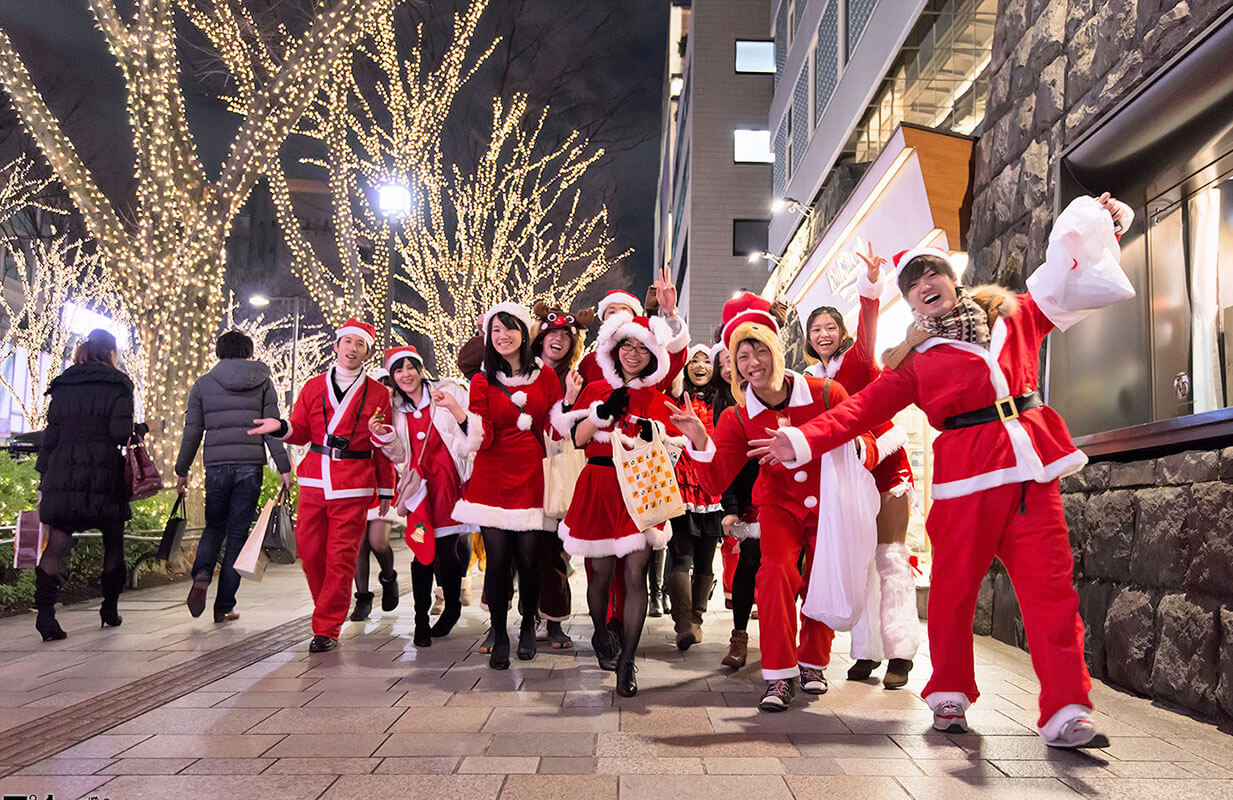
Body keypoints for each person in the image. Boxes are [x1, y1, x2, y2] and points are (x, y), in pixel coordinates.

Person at [750, 194, 1133, 747]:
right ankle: (950, 691)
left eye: (933, 272)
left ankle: (1067, 708)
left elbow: (1070, 275)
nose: (924, 281)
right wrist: (798, 440)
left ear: (952, 282)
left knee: (1052, 593)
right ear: (910, 302)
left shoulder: (1017, 315)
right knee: (953, 593)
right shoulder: (916, 365)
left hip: (1032, 474)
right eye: (913, 281)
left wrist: (1099, 223)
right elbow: (858, 409)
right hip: (966, 481)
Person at [669, 293, 882, 712]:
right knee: (777, 574)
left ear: (776, 348)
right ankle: (780, 674)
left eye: (759, 349)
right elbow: (714, 480)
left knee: (825, 577)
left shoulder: (825, 393)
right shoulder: (738, 417)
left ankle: (813, 662)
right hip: (779, 508)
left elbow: (869, 441)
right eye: (741, 355)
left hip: (830, 506)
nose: (752, 363)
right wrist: (697, 440)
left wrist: (849, 448)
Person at [803, 245, 918, 689]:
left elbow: (868, 334)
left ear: (842, 332)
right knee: (861, 561)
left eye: (831, 326)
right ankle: (865, 651)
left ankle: (901, 652)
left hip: (885, 464)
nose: (824, 333)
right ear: (809, 337)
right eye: (817, 329)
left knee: (890, 557)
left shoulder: (858, 362)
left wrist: (870, 287)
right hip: (845, 477)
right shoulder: (809, 380)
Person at [552, 312, 685, 698]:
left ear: (653, 355)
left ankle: (627, 660)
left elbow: (675, 445)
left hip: (639, 489)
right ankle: (600, 635)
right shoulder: (594, 388)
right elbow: (576, 437)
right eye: (627, 344)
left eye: (643, 347)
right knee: (600, 576)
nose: (633, 352)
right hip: (597, 483)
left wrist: (652, 431)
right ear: (614, 348)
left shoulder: (657, 398)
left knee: (636, 575)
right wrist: (601, 415)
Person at [249, 319, 396, 653]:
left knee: (341, 557)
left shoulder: (377, 393)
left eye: (360, 345)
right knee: (311, 552)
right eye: (347, 342)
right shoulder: (314, 386)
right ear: (337, 345)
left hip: (355, 483)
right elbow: (301, 430)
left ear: (367, 352)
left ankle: (326, 627)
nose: (352, 349)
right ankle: (327, 609)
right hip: (315, 479)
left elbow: (383, 447)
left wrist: (385, 489)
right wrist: (281, 427)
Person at [453, 302, 563, 670]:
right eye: (495, 330)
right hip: (492, 476)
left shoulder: (546, 376)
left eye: (510, 328)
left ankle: (528, 626)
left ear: (524, 333)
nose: (502, 336)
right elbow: (479, 438)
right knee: (498, 562)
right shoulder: (481, 380)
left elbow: (554, 428)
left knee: (532, 561)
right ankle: (499, 632)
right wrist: (459, 414)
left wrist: (574, 403)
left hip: (532, 474)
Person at [174, 330, 294, 624]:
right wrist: (284, 467)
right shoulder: (262, 382)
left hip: (216, 466)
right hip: (249, 466)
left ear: (219, 352)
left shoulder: (202, 385)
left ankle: (202, 573)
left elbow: (192, 432)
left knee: (214, 527)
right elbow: (272, 428)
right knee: (238, 535)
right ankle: (224, 605)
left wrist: (182, 470)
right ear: (249, 352)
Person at [371, 345, 479, 647]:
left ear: (421, 369)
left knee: (446, 551)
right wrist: (382, 436)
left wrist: (452, 408)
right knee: (422, 551)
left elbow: (472, 431)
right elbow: (399, 455)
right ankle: (420, 620)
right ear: (392, 376)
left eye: (411, 367)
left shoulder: (449, 392)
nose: (406, 374)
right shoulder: (395, 410)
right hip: (420, 490)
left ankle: (451, 609)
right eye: (398, 369)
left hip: (450, 484)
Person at [33, 329, 138, 641]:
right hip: (104, 471)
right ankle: (110, 607)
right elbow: (120, 433)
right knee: (113, 542)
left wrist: (43, 476)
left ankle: (45, 615)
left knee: (57, 544)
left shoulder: (63, 385)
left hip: (62, 470)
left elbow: (50, 435)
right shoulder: (118, 384)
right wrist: (138, 430)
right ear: (110, 353)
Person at [529, 301, 592, 648]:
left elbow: (574, 427)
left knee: (554, 550)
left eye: (565, 335)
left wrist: (568, 400)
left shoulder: (576, 377)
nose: (557, 339)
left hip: (558, 467)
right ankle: (526, 616)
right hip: (522, 468)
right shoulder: (521, 370)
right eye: (551, 332)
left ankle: (552, 620)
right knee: (523, 552)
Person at [664, 344, 725, 650]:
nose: (700, 366)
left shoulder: (724, 401)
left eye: (706, 361)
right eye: (693, 361)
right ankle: (683, 623)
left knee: (705, 561)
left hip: (712, 490)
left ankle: (697, 619)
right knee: (680, 557)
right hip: (679, 488)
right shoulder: (674, 400)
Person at [710, 343, 762, 670]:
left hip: (790, 499)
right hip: (751, 500)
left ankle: (784, 638)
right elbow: (723, 461)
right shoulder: (730, 409)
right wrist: (729, 506)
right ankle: (740, 635)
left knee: (790, 572)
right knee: (749, 563)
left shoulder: (787, 397)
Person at [350, 366, 401, 622]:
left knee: (378, 540)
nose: (387, 389)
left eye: (389, 385)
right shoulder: (364, 411)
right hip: (359, 481)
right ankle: (362, 598)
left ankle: (389, 577)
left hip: (387, 483)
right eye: (381, 384)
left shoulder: (401, 413)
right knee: (359, 544)